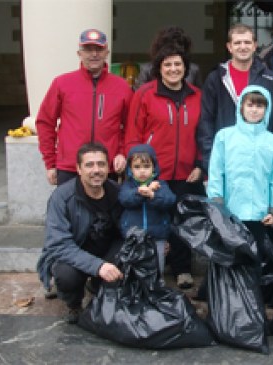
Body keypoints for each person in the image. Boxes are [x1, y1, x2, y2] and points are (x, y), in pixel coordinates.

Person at [125, 43, 203, 289]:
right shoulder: (145, 94)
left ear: (185, 67)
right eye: (167, 64)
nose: (173, 69)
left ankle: (182, 269)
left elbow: (203, 133)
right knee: (156, 218)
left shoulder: (196, 95)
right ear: (159, 68)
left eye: (178, 64)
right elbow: (133, 133)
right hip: (152, 172)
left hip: (186, 172)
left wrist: (200, 164)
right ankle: (150, 265)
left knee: (182, 221)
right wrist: (135, 169)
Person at [37, 143, 124, 324]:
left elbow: (129, 228)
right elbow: (59, 245)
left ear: (108, 167)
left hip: (106, 249)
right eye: (89, 165)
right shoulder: (61, 197)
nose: (96, 170)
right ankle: (74, 304)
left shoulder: (117, 192)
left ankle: (98, 286)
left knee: (130, 257)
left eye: (101, 164)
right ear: (78, 169)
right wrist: (98, 266)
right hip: (73, 252)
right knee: (66, 275)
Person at [36, 29, 133, 186]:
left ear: (107, 52)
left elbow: (131, 127)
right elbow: (45, 122)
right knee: (70, 210)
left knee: (106, 211)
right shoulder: (62, 84)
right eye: (88, 49)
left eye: (99, 49)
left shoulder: (122, 87)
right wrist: (50, 163)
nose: (94, 54)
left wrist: (123, 153)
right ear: (79, 53)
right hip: (70, 167)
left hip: (106, 168)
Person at [207, 85, 273, 254]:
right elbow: (216, 171)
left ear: (267, 109)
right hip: (230, 211)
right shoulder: (224, 137)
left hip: (261, 214)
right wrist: (217, 203)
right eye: (250, 105)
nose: (254, 110)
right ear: (241, 107)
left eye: (260, 106)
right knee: (230, 259)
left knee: (256, 257)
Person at [197, 23, 273, 172]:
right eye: (237, 43)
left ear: (254, 46)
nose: (243, 47)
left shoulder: (270, 79)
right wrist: (210, 161)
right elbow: (206, 121)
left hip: (262, 158)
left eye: (247, 42)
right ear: (229, 47)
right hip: (226, 157)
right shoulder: (216, 79)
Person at [118, 144, 176, 283]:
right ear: (130, 169)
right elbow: (124, 199)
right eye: (137, 167)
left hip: (157, 237)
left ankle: (157, 290)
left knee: (158, 268)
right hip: (133, 237)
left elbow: (170, 200)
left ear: (154, 168)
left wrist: (153, 195)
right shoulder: (128, 186)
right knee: (134, 268)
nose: (142, 171)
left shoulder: (160, 185)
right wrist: (140, 192)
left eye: (146, 166)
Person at [134, 26, 202, 90]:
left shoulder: (193, 70)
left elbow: (197, 96)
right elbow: (140, 95)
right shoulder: (146, 70)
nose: (173, 69)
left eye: (178, 45)